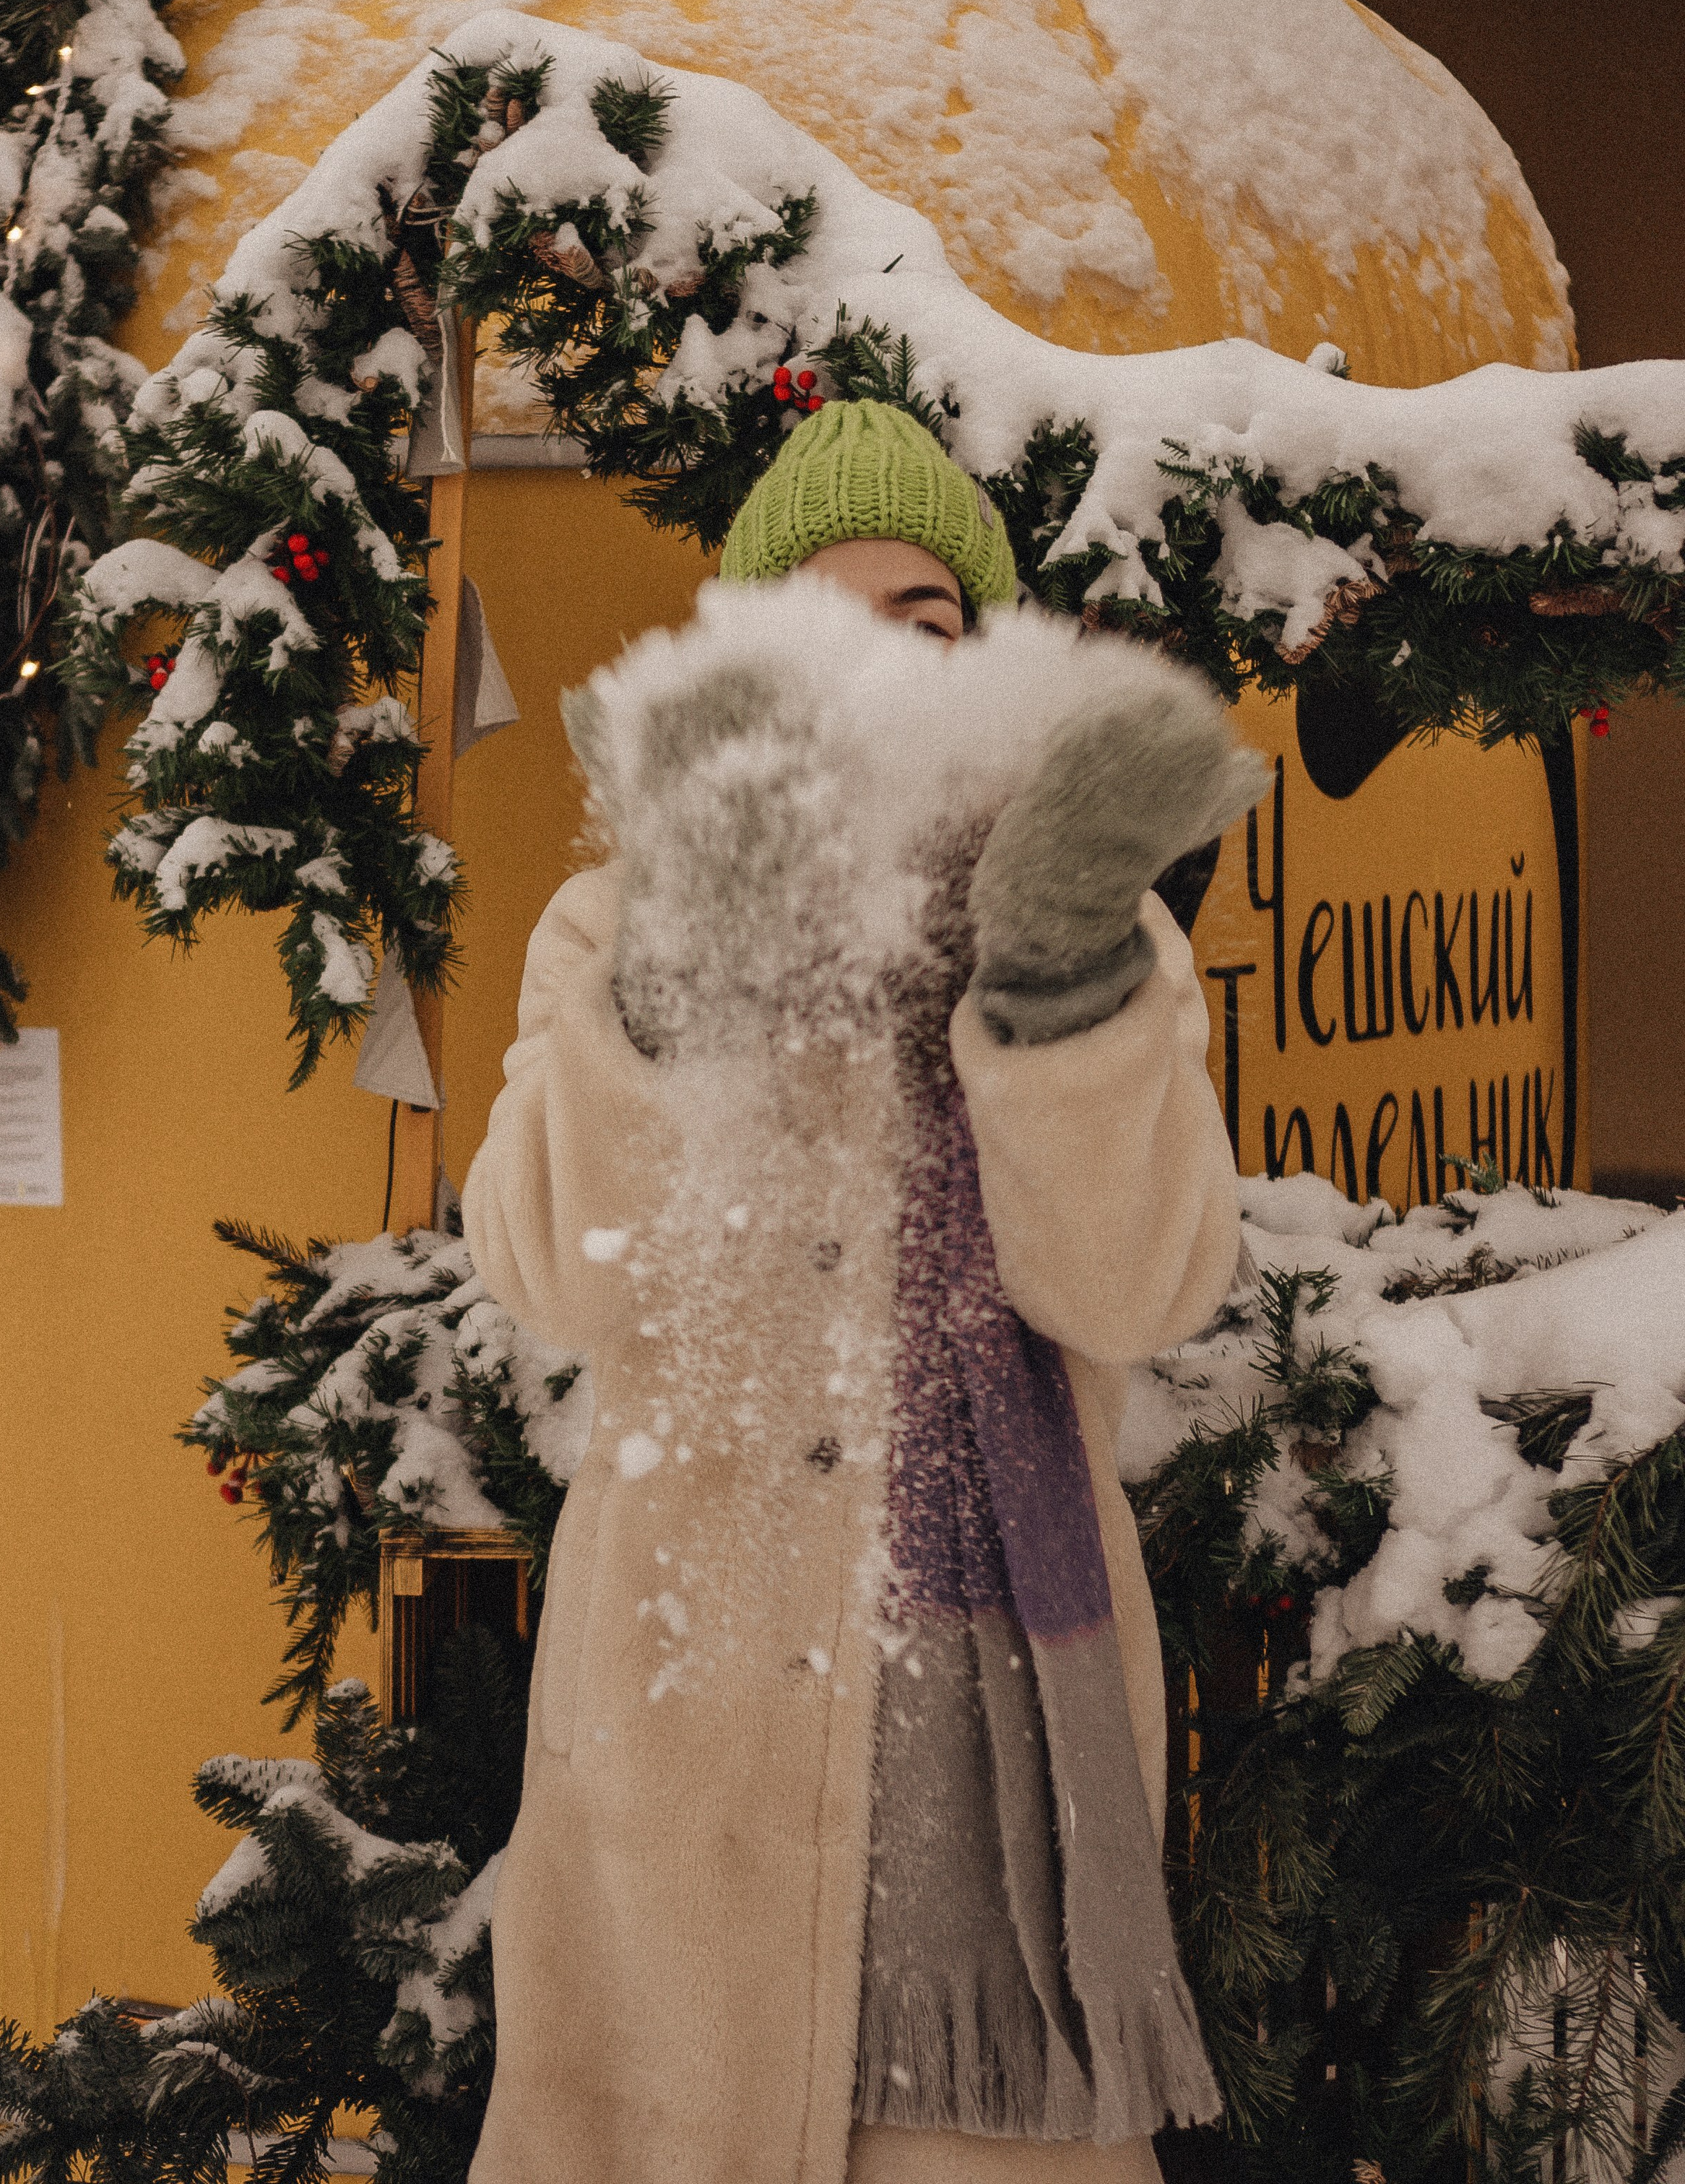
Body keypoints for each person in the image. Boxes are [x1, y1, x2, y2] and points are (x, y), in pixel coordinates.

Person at [462, 400, 1262, 2184]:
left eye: (928, 618)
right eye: (829, 623)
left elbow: (1140, 1287)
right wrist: (687, 951)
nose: (884, 662)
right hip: (688, 1729)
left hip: (982, 1750)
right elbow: (542, 1264)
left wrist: (1052, 973)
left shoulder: (1093, 930)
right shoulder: (612, 920)